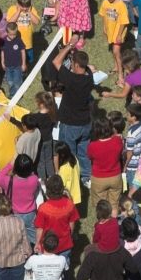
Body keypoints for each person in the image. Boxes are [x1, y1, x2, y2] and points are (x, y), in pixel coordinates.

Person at [53, 37, 94, 182]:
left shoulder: (70, 79)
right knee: (83, 153)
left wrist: (70, 45)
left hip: (70, 124)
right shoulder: (90, 79)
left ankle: (72, 178)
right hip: (85, 124)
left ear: (76, 65)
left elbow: (56, 61)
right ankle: (86, 177)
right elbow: (88, 68)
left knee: (69, 153)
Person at [0, 153, 39, 244]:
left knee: (16, 238)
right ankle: (35, 252)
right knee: (33, 237)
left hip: (15, 214)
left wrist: (10, 165)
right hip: (30, 213)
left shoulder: (8, 181)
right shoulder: (34, 179)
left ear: (15, 168)